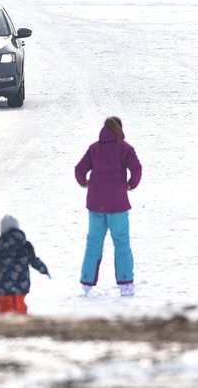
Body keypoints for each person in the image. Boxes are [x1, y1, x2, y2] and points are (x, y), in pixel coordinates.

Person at [75, 116, 142, 297]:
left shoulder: (94, 149)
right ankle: (126, 283)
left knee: (93, 242)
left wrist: (84, 182)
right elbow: (137, 169)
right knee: (121, 243)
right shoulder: (125, 149)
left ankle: (87, 281)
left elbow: (79, 169)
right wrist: (131, 184)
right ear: (119, 130)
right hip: (117, 204)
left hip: (96, 203)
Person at [0, 215, 50, 314]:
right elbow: (34, 261)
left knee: (6, 314)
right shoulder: (26, 245)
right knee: (20, 311)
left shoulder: (2, 247)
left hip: (5, 288)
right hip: (22, 287)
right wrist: (43, 269)